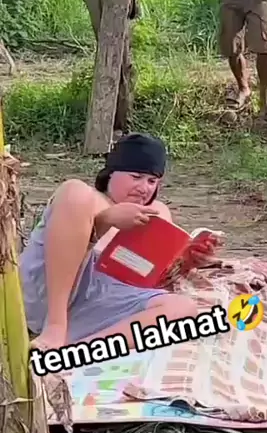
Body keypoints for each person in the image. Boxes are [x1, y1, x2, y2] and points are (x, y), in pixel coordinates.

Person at [20, 132, 216, 352]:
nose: (144, 187)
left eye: (152, 181)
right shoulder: (86, 199)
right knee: (75, 190)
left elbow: (146, 279)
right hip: (47, 297)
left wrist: (186, 261)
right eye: (136, 176)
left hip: (95, 304)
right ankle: (55, 328)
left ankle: (81, 350)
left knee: (183, 309)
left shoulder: (156, 213)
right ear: (111, 173)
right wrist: (104, 222)